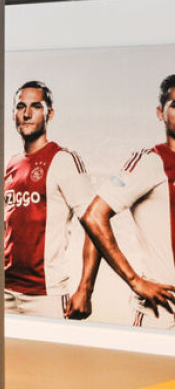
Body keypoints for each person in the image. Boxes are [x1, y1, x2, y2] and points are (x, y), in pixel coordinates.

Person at [80, 75, 175, 327]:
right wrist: (134, 280)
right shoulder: (151, 161)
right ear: (160, 113)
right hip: (164, 308)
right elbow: (94, 216)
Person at [4, 81, 99, 319]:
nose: (26, 114)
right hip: (3, 292)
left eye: (35, 106)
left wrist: (85, 289)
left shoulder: (63, 160)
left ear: (50, 113)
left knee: (51, 358)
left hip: (45, 296)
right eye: (20, 106)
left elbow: (95, 225)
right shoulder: (11, 164)